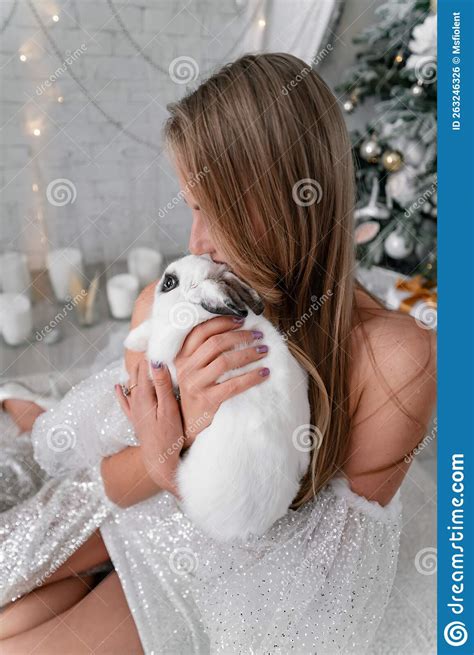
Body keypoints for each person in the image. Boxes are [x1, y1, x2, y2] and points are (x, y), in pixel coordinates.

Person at [0, 52, 436, 653]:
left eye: (216, 211)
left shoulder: (393, 361)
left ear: (296, 200)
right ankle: (26, 412)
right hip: (136, 506)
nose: (195, 242)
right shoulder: (178, 300)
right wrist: (159, 451)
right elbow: (116, 475)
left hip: (233, 573)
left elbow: (313, 617)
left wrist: (179, 471)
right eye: (192, 207)